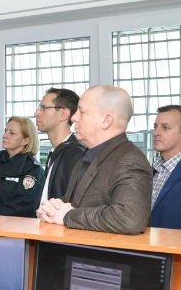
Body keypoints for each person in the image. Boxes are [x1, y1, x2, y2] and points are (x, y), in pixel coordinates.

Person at [37, 85, 152, 234]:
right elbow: (71, 204)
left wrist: (67, 216)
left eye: (82, 111)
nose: (74, 117)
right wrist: (53, 209)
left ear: (106, 120)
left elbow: (129, 219)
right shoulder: (88, 156)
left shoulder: (130, 160)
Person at [34, 88, 85, 201]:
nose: (36, 113)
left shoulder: (76, 155)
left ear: (63, 114)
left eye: (44, 108)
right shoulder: (56, 152)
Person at [0, 117, 44, 217]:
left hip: (15, 224)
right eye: (5, 131)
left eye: (12, 133)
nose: (5, 135)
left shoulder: (33, 170)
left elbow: (22, 208)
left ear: (25, 141)